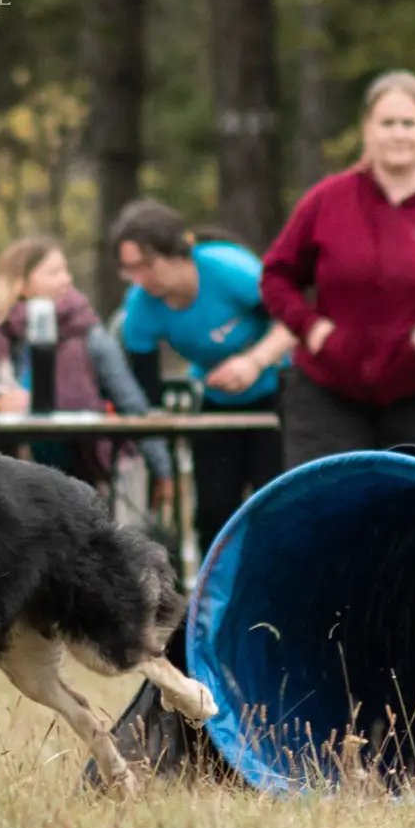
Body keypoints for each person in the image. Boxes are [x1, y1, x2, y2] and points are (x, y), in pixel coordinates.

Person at [259, 69, 415, 468]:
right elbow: (277, 274)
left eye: (409, 123)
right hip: (328, 391)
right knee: (327, 508)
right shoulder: (329, 199)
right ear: (367, 130)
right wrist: (309, 327)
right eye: (387, 123)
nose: (398, 134)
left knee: (413, 515)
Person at [110, 199, 293, 560]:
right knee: (214, 510)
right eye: (128, 270)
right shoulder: (141, 307)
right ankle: (213, 605)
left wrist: (253, 363)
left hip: (275, 394)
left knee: (275, 505)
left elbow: (292, 322)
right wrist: (155, 414)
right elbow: (145, 388)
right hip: (215, 404)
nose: (138, 280)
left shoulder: (229, 270)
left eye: (144, 266)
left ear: (175, 253)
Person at [0, 236, 175, 501]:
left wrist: (163, 470)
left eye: (66, 270)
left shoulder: (86, 333)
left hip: (73, 472)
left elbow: (132, 404)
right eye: (54, 272)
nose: (67, 280)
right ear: (22, 284)